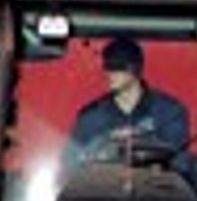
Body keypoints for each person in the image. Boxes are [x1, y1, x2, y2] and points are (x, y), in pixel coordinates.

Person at [68, 35, 190, 166]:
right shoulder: (90, 118)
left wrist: (141, 140)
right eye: (107, 66)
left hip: (155, 185)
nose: (109, 73)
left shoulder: (170, 113)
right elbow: (70, 167)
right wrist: (106, 141)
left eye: (117, 66)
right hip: (103, 185)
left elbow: (179, 167)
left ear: (135, 69)